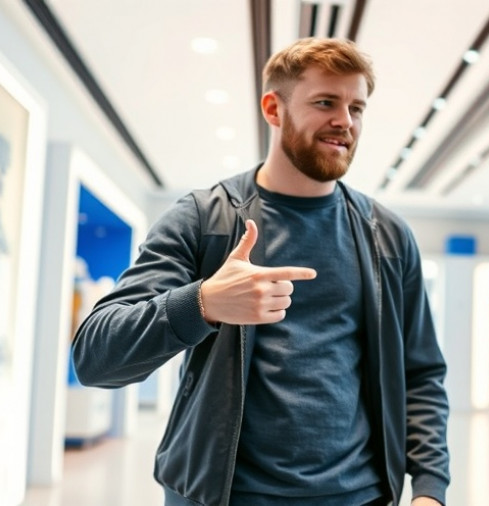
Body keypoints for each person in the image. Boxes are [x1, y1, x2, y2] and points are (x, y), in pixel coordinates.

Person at [72, 37, 449, 506]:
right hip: (225, 496)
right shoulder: (204, 220)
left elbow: (422, 373)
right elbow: (95, 356)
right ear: (274, 108)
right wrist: (203, 303)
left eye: (357, 107)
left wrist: (430, 489)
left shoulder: (387, 238)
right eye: (325, 102)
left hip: (360, 497)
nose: (345, 121)